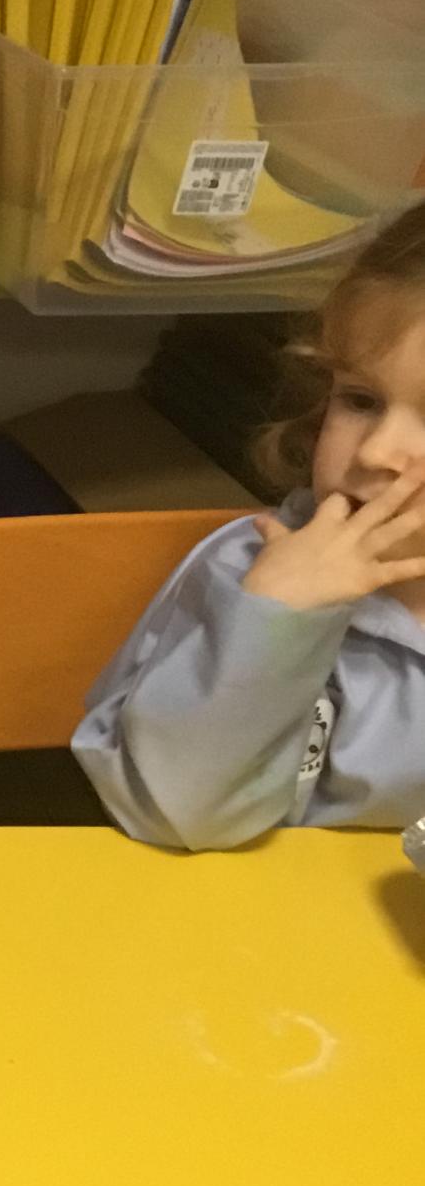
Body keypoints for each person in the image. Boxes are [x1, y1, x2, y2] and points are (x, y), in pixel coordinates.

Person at [74, 200, 425, 849]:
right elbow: (173, 812)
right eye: (360, 400)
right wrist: (276, 621)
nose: (377, 452)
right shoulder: (250, 568)